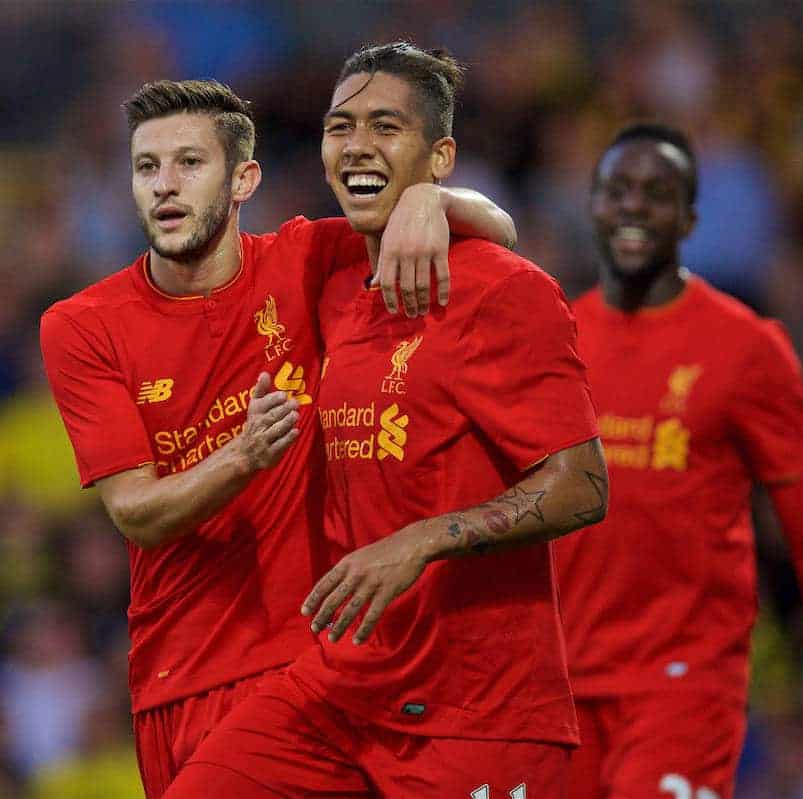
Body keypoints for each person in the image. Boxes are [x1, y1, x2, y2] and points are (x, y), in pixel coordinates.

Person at [39, 78, 516, 797]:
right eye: (147, 167)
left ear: (243, 178)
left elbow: (498, 233)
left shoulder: (300, 260)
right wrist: (244, 455)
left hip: (315, 664)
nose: (164, 186)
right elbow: (136, 513)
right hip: (184, 678)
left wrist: (426, 199)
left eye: (189, 164)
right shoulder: (83, 326)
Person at [164, 42, 608, 798]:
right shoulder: (331, 282)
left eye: (385, 126)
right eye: (340, 127)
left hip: (478, 712)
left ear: (440, 156)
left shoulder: (505, 292)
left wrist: (419, 542)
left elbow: (583, 486)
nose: (358, 145)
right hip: (342, 687)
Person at [553, 122, 803, 799]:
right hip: (566, 687)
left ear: (689, 217)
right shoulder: (558, 338)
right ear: (591, 205)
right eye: (615, 190)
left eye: (656, 193)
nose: (632, 206)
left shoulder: (746, 349)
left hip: (683, 685)